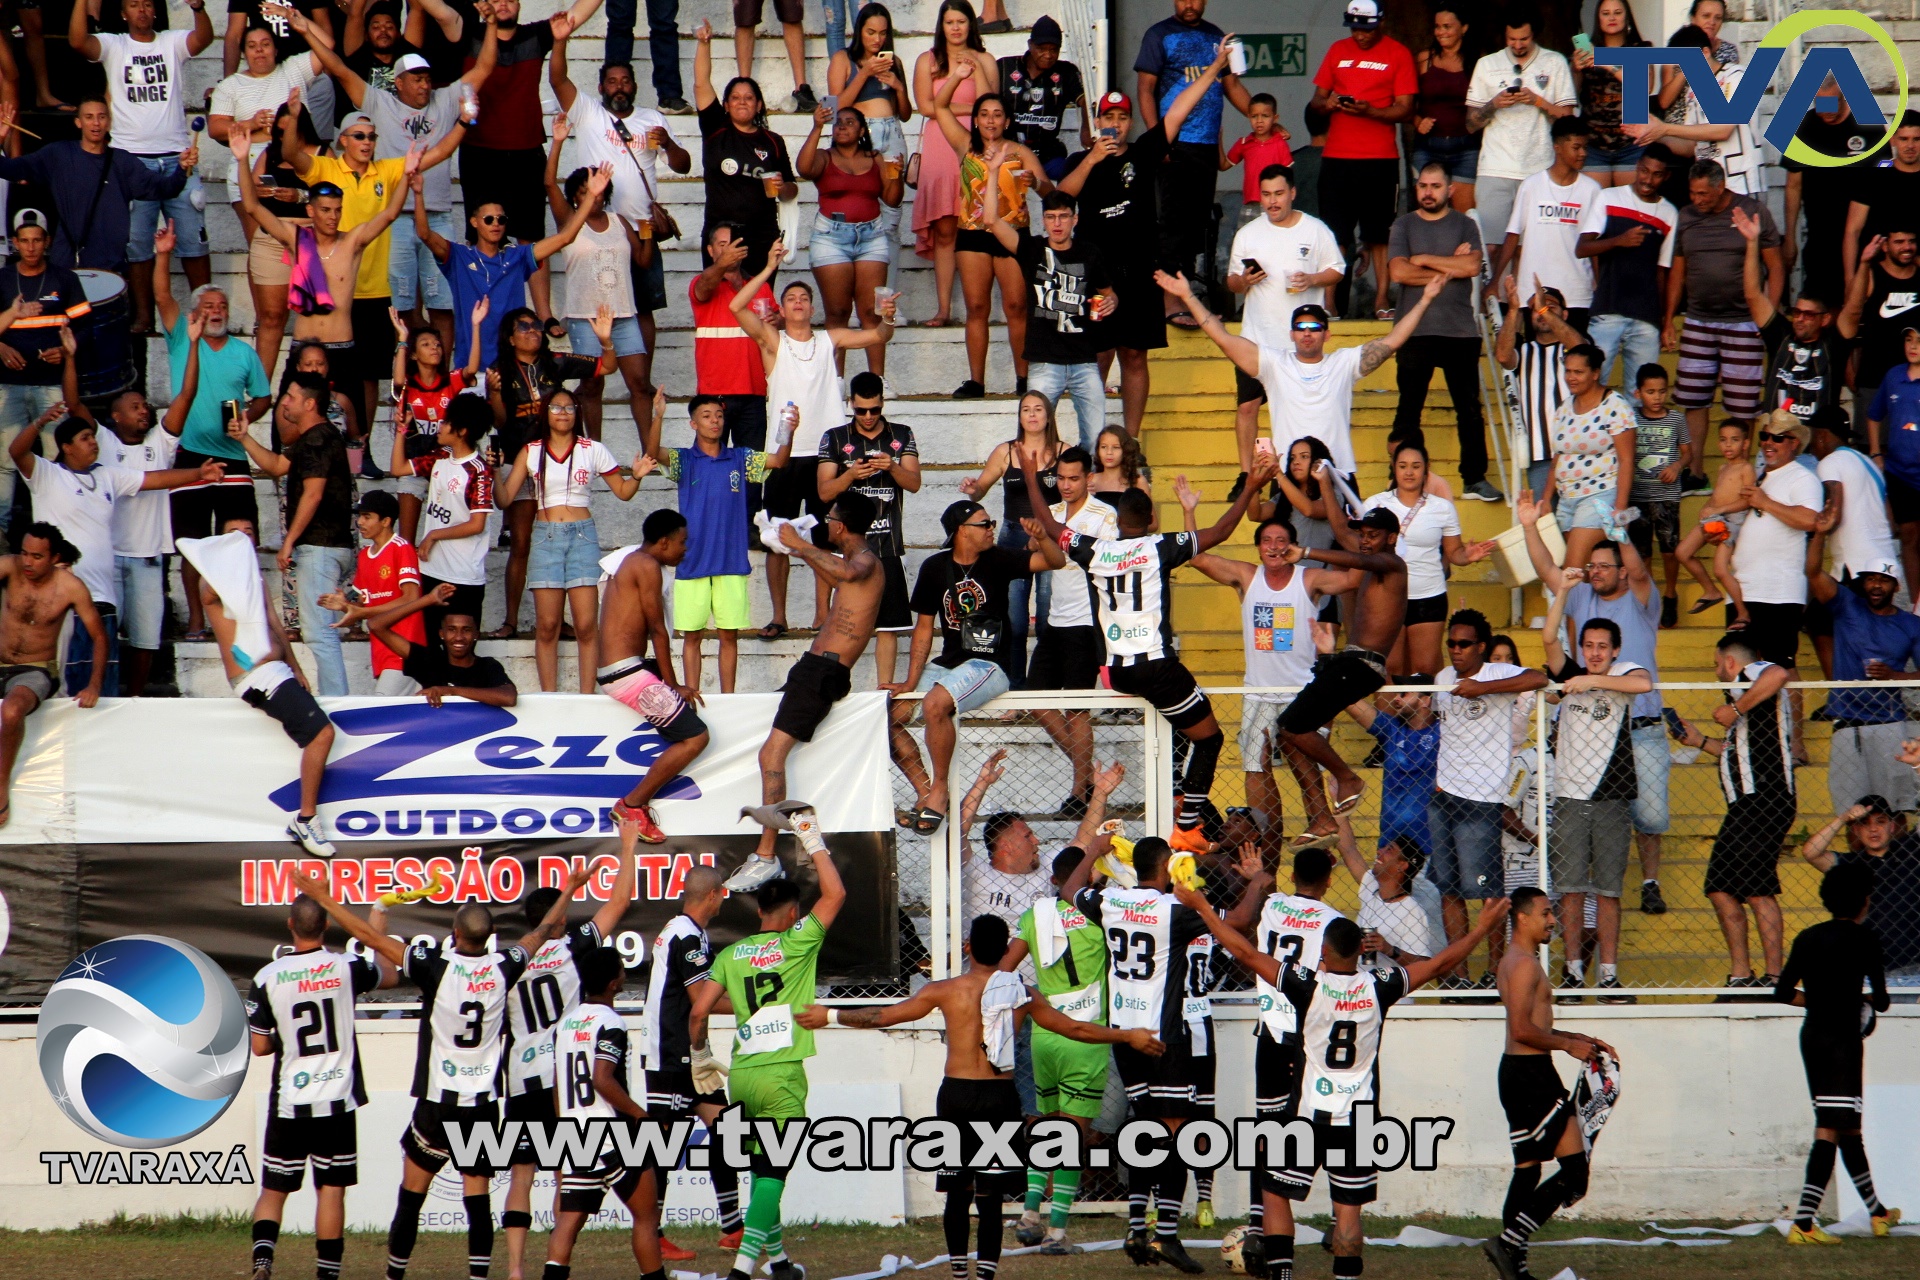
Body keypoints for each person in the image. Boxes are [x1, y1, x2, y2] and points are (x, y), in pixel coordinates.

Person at [1180, 880, 1508, 1277]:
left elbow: (1245, 952)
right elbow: (1438, 964)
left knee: (1275, 1191)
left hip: (1309, 1112)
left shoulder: (1307, 985)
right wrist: (1481, 927)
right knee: (1348, 1211)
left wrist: (1202, 905)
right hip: (1360, 1115)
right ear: (1358, 952)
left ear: (1323, 951)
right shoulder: (1380, 986)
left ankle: (1282, 1274)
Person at [284, 861, 590, 1280]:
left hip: (437, 1102)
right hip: (482, 1105)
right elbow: (542, 934)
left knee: (411, 1197)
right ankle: (479, 1276)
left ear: (456, 935)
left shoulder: (436, 968)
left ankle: (395, 1274)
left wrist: (321, 897)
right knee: (477, 1199)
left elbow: (370, 936)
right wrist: (569, 889)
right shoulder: (505, 966)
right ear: (490, 938)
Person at [840, 910, 1159, 1268]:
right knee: (990, 1197)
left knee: (957, 1196)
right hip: (998, 1097)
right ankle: (984, 1277)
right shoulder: (1021, 993)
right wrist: (1127, 1035)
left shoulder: (944, 990)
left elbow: (881, 1016)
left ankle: (960, 1273)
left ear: (968, 948)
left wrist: (828, 1016)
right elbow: (1076, 1029)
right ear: (1006, 948)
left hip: (957, 1096)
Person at [1028, 453, 1274, 852]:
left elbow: (1053, 525)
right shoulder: (1162, 546)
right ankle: (1188, 825)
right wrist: (1250, 486)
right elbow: (1224, 530)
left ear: (1118, 520)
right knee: (1210, 738)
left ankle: (1175, 789)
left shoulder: (1097, 550)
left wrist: (1027, 472)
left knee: (1179, 720)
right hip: (1156, 667)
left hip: (1115, 671)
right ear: (1151, 520)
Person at [689, 837, 849, 1280]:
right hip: (782, 1077)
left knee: (761, 1170)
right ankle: (742, 1271)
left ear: (759, 911)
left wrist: (700, 1057)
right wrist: (811, 838)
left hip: (742, 1075)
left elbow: (699, 1010)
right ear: (793, 913)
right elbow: (836, 894)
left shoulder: (730, 955)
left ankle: (779, 1264)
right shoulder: (799, 941)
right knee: (774, 1175)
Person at [493, 820, 642, 1280]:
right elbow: (618, 903)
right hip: (567, 1076)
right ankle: (557, 1257)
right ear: (559, 918)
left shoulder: (509, 962)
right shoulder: (574, 950)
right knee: (564, 1174)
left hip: (521, 1075)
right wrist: (629, 844)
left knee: (521, 1175)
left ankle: (516, 1269)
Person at [1516, 492, 1673, 916]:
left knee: (1652, 818)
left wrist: (1618, 532)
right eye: (1594, 566)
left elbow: (1638, 570)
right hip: (1594, 732)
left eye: (1606, 566)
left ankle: (1651, 880)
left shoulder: (1641, 598)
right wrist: (1530, 525)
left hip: (1641, 725)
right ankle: (1619, 887)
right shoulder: (1582, 597)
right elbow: (1548, 569)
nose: (1597, 571)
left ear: (1621, 571)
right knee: (1608, 815)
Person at [14, 384, 220, 700]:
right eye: (85, 439)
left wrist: (199, 473)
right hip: (63, 600)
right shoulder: (46, 475)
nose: (93, 443)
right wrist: (40, 423)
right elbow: (17, 451)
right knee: (64, 684)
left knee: (102, 684)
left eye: (93, 437)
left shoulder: (108, 475)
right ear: (67, 447)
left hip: (103, 597)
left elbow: (155, 479)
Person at [732, 243, 895, 636]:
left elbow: (877, 335)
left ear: (812, 307)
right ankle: (779, 616)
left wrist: (888, 318)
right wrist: (769, 266)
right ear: (782, 310)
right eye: (792, 298)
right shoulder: (773, 342)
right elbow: (737, 308)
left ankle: (822, 614)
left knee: (826, 536)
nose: (800, 302)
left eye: (805, 297)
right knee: (778, 540)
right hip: (784, 455)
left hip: (826, 455)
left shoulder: (829, 339)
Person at [315, 20, 500, 361]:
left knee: (443, 302)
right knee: (401, 305)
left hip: (438, 214)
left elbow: (486, 66)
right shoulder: (379, 103)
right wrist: (304, 30)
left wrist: (489, 23)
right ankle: (414, 371)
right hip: (394, 219)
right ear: (397, 83)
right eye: (417, 79)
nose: (425, 84)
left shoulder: (444, 100)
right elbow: (339, 69)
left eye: (427, 78)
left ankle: (441, 377)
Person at [1056, 58, 1222, 437]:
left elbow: (1179, 109)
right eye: (1107, 116)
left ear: (1130, 122)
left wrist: (1214, 68)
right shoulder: (1081, 160)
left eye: (1122, 117)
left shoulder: (1142, 152)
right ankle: (1092, 438)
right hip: (1098, 279)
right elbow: (1060, 199)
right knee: (1097, 356)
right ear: (1097, 120)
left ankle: (1130, 440)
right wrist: (1094, 157)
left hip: (1141, 275)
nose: (1114, 123)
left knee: (1134, 355)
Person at [728, 492, 883, 894]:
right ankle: (769, 851)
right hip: (813, 668)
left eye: (830, 518)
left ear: (842, 526)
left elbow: (849, 574)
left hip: (823, 671)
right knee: (767, 751)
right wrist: (792, 548)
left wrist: (800, 545)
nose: (826, 523)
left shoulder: (866, 560)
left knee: (771, 755)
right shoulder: (852, 562)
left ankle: (766, 857)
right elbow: (837, 575)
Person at [1164, 270, 1447, 488]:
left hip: (1338, 474)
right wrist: (1188, 297)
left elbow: (1394, 339)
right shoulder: (1274, 364)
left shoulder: (1344, 363)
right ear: (1292, 334)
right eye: (1300, 327)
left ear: (1327, 333)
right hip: (1290, 474)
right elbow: (1224, 339)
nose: (1307, 332)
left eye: (1314, 327)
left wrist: (1426, 299)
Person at [887, 492, 1065, 833]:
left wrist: (1042, 538)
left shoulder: (998, 559)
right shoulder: (935, 567)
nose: (991, 529)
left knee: (936, 703)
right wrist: (909, 682)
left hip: (989, 667)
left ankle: (939, 789)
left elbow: (1054, 562)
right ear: (961, 531)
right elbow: (924, 629)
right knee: (888, 716)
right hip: (949, 663)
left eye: (991, 523)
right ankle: (925, 792)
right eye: (984, 524)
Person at [996, 786, 1124, 1253]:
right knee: (1073, 1131)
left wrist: (1030, 996)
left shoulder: (1035, 914)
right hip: (1085, 1036)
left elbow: (1005, 970)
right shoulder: (1102, 915)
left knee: (1045, 1123)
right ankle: (1057, 1231)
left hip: (1045, 1031)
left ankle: (1029, 1213)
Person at [244, 887, 390, 1280]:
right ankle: (326, 1275)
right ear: (326, 925)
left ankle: (262, 1261)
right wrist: (377, 923)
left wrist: (283, 1037)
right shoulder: (345, 967)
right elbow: (387, 971)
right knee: (331, 1190)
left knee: (274, 1190)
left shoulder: (268, 976)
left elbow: (259, 1047)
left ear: (290, 926)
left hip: (291, 1099)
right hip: (337, 1100)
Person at [1482, 887, 1620, 1280]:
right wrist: (1567, 1046)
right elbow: (1523, 1029)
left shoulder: (1514, 961)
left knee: (1527, 1171)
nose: (1552, 920)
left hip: (1516, 1073)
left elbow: (1534, 1026)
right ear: (1522, 918)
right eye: (1545, 913)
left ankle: (1517, 1270)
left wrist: (1581, 1041)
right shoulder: (1524, 965)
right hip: (1532, 1076)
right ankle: (1509, 1243)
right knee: (1575, 1173)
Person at [178, 519, 335, 854]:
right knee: (322, 733)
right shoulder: (216, 581)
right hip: (256, 677)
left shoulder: (255, 580)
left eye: (248, 533)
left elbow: (274, 623)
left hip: (278, 671)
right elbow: (209, 592)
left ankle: (306, 818)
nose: (243, 538)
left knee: (319, 733)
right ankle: (306, 820)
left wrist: (295, 666)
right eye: (234, 534)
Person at [551, 46, 690, 401]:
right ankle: (596, 372)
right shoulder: (588, 113)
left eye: (625, 81)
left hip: (640, 230)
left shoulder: (649, 119)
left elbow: (683, 166)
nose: (619, 87)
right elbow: (557, 78)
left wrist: (669, 142)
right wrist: (560, 41)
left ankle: (639, 376)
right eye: (612, 81)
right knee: (595, 310)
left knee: (643, 307)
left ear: (635, 85)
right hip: (593, 230)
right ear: (600, 88)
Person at [1189, 515, 1338, 846]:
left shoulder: (1308, 577)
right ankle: (1266, 840)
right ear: (1258, 547)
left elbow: (1354, 579)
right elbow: (1197, 556)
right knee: (1254, 766)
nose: (1274, 547)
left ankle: (1322, 821)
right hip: (1258, 693)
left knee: (1303, 763)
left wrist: (1314, 551)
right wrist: (1190, 511)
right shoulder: (1247, 576)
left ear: (1293, 546)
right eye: (1267, 540)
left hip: (1302, 693)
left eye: (1281, 540)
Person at [1773, 862, 1900, 1243]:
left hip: (1812, 1036)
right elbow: (1881, 1000)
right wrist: (1855, 999)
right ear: (1864, 900)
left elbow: (1781, 992)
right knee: (1831, 1128)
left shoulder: (1808, 937)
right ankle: (1804, 1224)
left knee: (1846, 1127)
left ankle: (1877, 1213)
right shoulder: (1867, 939)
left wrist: (1819, 1001)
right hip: (1843, 1041)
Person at [71, 0, 215, 333]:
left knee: (194, 240)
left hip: (179, 157)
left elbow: (202, 39)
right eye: (134, 4)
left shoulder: (170, 41)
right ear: (123, 12)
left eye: (147, 4)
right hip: (131, 160)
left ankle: (206, 313)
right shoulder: (114, 44)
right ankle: (144, 317)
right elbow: (78, 41)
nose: (142, 10)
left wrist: (199, 8)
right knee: (137, 245)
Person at [495, 377, 646, 692]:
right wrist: (495, 470)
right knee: (548, 626)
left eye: (569, 408)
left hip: (582, 537)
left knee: (586, 626)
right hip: (545, 536)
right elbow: (504, 499)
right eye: (556, 407)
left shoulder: (593, 450)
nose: (562, 413)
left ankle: (587, 696)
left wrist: (638, 475)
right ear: (545, 413)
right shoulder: (531, 451)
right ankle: (550, 697)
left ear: (577, 413)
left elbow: (623, 491)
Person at [640, 391, 793, 693]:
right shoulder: (684, 460)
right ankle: (693, 696)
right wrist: (657, 416)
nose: (715, 421)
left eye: (719, 415)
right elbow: (652, 450)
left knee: (729, 636)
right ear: (693, 424)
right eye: (707, 416)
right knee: (692, 637)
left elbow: (779, 460)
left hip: (731, 562)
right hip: (692, 561)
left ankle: (728, 699)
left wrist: (788, 431)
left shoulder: (740, 457)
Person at [1426, 608, 1547, 990]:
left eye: (1464, 644)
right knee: (1448, 890)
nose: (1456, 650)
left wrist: (1483, 688)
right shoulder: (1443, 678)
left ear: (1481, 646)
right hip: (1444, 793)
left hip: (1481, 799)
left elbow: (1539, 677)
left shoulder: (1496, 672)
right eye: (1451, 643)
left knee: (1488, 893)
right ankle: (1458, 975)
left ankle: (1496, 972)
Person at [1539, 590, 1651, 1000]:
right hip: (1569, 796)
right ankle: (1571, 973)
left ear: (1616, 650)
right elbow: (1550, 637)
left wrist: (1592, 681)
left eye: (1603, 646)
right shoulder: (1569, 672)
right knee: (1570, 891)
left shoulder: (1623, 675)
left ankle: (1607, 976)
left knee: (1608, 891)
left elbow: (1645, 682)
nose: (1595, 653)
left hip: (1610, 796)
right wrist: (1564, 590)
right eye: (1589, 646)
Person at [215, 369, 353, 696]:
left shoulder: (319, 437)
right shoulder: (312, 438)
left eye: (290, 396)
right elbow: (277, 466)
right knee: (319, 630)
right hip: (324, 546)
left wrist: (288, 541)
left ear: (309, 403)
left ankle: (339, 706)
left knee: (320, 633)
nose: (284, 402)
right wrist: (244, 437)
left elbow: (314, 493)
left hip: (319, 546)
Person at [539, 946, 672, 1280]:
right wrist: (641, 1115)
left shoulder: (565, 1024)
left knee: (568, 1223)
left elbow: (557, 1085)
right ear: (614, 983)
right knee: (645, 1219)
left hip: (576, 1133)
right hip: (612, 1134)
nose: (625, 975)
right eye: (622, 971)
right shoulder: (612, 1023)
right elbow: (601, 1078)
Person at [415, 157, 604, 391]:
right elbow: (424, 233)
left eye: (501, 219)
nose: (496, 224)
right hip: (471, 369)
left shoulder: (517, 256)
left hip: (513, 369)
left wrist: (592, 198)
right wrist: (418, 194)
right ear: (474, 222)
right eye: (488, 219)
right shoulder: (459, 256)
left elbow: (566, 237)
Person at [1676, 634, 1796, 993]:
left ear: (1730, 662)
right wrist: (1698, 741)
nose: (1716, 672)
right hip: (1746, 804)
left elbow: (1778, 673)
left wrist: (1737, 709)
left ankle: (1776, 978)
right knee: (1719, 888)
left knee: (1758, 890)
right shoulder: (1745, 697)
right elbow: (1733, 750)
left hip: (1764, 798)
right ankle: (1741, 976)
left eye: (1717, 664)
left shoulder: (1751, 675)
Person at [928, 57, 1051, 398]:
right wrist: (957, 75)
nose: (991, 120)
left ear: (1008, 120)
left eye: (998, 114)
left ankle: (1024, 380)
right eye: (984, 115)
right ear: (976, 120)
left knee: (1017, 308)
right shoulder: (966, 146)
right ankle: (977, 381)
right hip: (973, 235)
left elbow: (1051, 191)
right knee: (977, 308)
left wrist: (1036, 184)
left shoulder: (1021, 151)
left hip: (1012, 237)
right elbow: (939, 106)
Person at [641, 865, 744, 1252]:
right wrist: (753, 1007)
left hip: (687, 1052)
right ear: (713, 895)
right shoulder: (686, 936)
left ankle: (732, 1228)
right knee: (663, 1147)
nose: (725, 900)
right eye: (723, 893)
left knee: (726, 1128)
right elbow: (701, 1000)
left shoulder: (685, 930)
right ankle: (652, 1234)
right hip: (670, 1054)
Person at [1134, 0, 1253, 328]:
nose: (1189, 3)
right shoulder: (1160, 35)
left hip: (1205, 146)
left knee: (1195, 225)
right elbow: (1145, 89)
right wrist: (1157, 141)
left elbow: (1232, 87)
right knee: (1171, 223)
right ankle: (1169, 299)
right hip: (1174, 144)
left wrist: (1262, 117)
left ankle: (1186, 294)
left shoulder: (1216, 36)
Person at [596, 507, 712, 843]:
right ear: (663, 543)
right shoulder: (648, 565)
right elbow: (657, 630)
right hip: (626, 673)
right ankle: (632, 804)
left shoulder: (633, 560)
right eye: (682, 543)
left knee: (684, 720)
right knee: (696, 737)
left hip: (625, 667)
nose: (685, 549)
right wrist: (672, 683)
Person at [1667, 159, 1783, 491]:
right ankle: (1696, 472)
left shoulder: (1752, 210)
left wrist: (1769, 319)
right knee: (1693, 399)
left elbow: (1775, 267)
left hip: (1744, 323)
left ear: (1721, 187)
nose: (1698, 199)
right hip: (1698, 320)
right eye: (1693, 193)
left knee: (1743, 405)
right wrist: (1668, 319)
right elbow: (1678, 269)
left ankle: (1742, 475)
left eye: (1704, 193)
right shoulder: (1687, 216)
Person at [1383, 162, 1497, 498]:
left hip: (1460, 330)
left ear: (1449, 190)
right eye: (1422, 186)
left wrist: (1423, 258)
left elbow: (1473, 266)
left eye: (1434, 186)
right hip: (1413, 330)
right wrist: (1449, 267)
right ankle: (1400, 479)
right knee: (1409, 409)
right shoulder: (1403, 225)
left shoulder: (1465, 224)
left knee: (1469, 409)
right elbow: (1399, 273)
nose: (1427, 192)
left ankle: (1474, 478)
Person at [1226, 165, 1344, 481]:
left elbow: (1337, 269)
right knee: (1247, 407)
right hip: (1256, 339)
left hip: (1300, 343)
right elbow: (1232, 283)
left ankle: (1300, 475)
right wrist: (1245, 281)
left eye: (1279, 194)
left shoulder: (1315, 229)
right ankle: (1245, 475)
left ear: (1292, 193)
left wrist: (1312, 278)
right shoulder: (1247, 234)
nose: (1272, 201)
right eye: (1266, 195)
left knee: (1298, 414)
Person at [0, 95, 195, 275]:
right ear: (78, 122)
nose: (95, 123)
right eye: (89, 117)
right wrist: (0, 139)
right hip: (67, 264)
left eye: (101, 117)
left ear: (109, 123)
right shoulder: (58, 155)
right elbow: (12, 169)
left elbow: (165, 188)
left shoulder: (123, 162)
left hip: (111, 266)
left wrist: (181, 168)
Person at [1305, 0, 1412, 319]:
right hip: (1338, 157)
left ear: (1380, 22)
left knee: (1378, 234)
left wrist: (1373, 111)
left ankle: (1381, 299)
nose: (1360, 35)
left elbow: (1406, 108)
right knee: (1334, 233)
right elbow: (1316, 101)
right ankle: (1330, 302)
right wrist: (1331, 103)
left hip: (1380, 159)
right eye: (1355, 28)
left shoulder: (1398, 53)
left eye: (1366, 28)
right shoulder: (1338, 50)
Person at [985, 189, 1115, 447]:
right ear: (1042, 220)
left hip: (1084, 359)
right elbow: (990, 220)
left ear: (1074, 219)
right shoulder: (1032, 249)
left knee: (1095, 439)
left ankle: (1086, 486)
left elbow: (1108, 293)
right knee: (1034, 439)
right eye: (1051, 217)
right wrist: (993, 170)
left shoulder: (1090, 252)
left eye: (1063, 217)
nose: (1057, 223)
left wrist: (1111, 302)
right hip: (1044, 361)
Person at [0, 525, 107, 825]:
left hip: (36, 669)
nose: (28, 562)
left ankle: (0, 787)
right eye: (24, 553)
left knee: (11, 711)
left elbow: (99, 636)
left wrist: (94, 685)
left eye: (36, 556)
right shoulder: (9, 567)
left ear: (54, 557)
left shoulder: (70, 587)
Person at [818, 373, 919, 684]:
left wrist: (892, 467)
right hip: (848, 549)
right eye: (861, 410)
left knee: (888, 626)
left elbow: (914, 484)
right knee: (843, 625)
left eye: (874, 410)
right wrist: (851, 476)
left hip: (888, 545)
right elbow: (823, 492)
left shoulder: (901, 433)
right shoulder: (834, 437)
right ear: (851, 405)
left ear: (882, 404)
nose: (868, 416)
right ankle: (829, 686)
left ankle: (883, 691)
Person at [1362, 440, 1493, 678]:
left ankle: (1424, 716)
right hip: (1387, 596)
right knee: (1390, 668)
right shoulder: (1375, 504)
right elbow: (1363, 549)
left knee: (1424, 669)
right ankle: (1386, 718)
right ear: (1394, 467)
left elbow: (1453, 553)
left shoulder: (1442, 507)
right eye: (1403, 466)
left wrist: (1468, 556)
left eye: (1416, 466)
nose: (1409, 472)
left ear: (1426, 469)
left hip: (1428, 595)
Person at [796, 103, 904, 385]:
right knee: (838, 312)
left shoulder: (876, 158)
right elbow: (803, 169)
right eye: (838, 122)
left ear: (862, 130)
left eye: (850, 122)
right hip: (831, 237)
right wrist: (817, 126)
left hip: (871, 236)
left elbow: (892, 199)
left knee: (871, 311)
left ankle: (877, 381)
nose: (842, 126)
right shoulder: (824, 156)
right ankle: (837, 382)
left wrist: (896, 174)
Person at [1805, 554, 1920, 814]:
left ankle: (1897, 857)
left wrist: (1894, 676)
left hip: (1889, 724)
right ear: (1864, 583)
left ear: (1897, 586)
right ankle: (1857, 858)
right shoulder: (1847, 605)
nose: (1876, 585)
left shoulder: (1911, 624)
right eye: (1871, 579)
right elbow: (1813, 572)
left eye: (1884, 580)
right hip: (1847, 724)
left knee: (1895, 812)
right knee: (1851, 814)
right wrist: (1819, 534)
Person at [0, 212, 90, 535]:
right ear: (14, 243)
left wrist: (66, 350)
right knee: (4, 462)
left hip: (52, 384)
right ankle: (1, 536)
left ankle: (59, 532)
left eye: (37, 239)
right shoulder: (2, 278)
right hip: (8, 384)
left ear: (47, 241)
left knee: (56, 459)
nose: (31, 247)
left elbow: (86, 328)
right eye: (24, 240)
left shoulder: (65, 279)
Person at [1464, 11, 1575, 253]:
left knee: (1531, 248)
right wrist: (1493, 104)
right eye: (1511, 39)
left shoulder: (1554, 62)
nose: (1517, 45)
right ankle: (1491, 292)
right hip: (1495, 167)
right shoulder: (1487, 64)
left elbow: (1569, 119)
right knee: (1490, 247)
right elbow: (1470, 124)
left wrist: (1538, 101)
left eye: (1523, 39)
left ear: (1534, 34)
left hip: (1539, 167)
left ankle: (1524, 293)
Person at [693, 19, 796, 279]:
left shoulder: (773, 141)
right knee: (720, 303)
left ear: (759, 105)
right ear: (725, 104)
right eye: (735, 98)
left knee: (760, 304)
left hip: (762, 235)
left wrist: (782, 187)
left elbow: (791, 189)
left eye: (749, 98)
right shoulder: (716, 129)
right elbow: (701, 85)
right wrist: (704, 44)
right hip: (721, 235)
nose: (742, 102)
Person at [1806, 405, 1904, 672]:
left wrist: (1818, 526)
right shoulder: (1869, 464)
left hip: (1857, 566)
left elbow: (1833, 511)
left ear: (1822, 435)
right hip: (1885, 561)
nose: (1812, 447)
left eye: (1813, 437)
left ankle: (1840, 693)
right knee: (1846, 628)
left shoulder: (1830, 462)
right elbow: (1892, 523)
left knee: (1818, 621)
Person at [1732, 412, 1823, 680]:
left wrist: (1766, 502)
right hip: (1744, 588)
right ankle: (1753, 723)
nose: (1769, 442)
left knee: (1782, 666)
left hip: (1777, 591)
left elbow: (1810, 520)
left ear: (1794, 443)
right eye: (1764, 436)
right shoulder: (1759, 476)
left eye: (1778, 438)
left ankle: (1792, 724)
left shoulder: (1802, 478)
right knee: (1741, 667)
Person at [1626, 25, 1764, 199]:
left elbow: (1723, 129)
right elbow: (1690, 146)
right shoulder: (1694, 90)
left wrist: (1665, 129)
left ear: (1705, 53)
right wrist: (1653, 132)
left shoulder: (1739, 76)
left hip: (1741, 186)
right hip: (1706, 191)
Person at [1577, 151, 1677, 390]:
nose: (1648, 179)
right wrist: (1617, 241)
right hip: (1608, 310)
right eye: (1644, 171)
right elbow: (1582, 248)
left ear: (1666, 177)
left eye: (1656, 175)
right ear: (1637, 167)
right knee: (1593, 385)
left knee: (1641, 394)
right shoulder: (1609, 197)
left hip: (1646, 317)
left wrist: (1665, 321)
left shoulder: (1669, 213)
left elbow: (1663, 272)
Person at [1802, 794, 1920, 989]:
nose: (1873, 829)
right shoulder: (1850, 864)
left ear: (1891, 826)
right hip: (1869, 972)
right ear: (1856, 829)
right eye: (1865, 824)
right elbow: (1811, 853)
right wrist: (1842, 819)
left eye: (1880, 822)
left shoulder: (1911, 851)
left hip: (1915, 968)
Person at [1494, 118, 1601, 332]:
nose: (1583, 153)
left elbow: (1594, 245)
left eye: (1585, 148)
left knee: (1575, 359)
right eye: (1576, 147)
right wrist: (1494, 281)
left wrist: (1599, 286)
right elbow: (1513, 235)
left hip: (1577, 293)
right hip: (1535, 294)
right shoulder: (1531, 186)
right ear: (1558, 147)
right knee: (1537, 359)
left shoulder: (1592, 190)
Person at [690, 223, 777, 483]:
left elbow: (775, 327)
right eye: (722, 245)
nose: (729, 251)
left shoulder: (759, 287)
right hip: (715, 395)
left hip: (754, 392)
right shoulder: (703, 282)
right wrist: (720, 265)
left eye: (733, 245)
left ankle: (750, 523)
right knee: (710, 466)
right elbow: (704, 285)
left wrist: (777, 320)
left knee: (751, 472)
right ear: (710, 250)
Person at [1783, 81, 1881, 309]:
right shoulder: (1805, 126)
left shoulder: (1868, 123)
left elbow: (1885, 175)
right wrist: (1790, 237)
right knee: (1821, 305)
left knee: (1861, 305)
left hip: (1863, 236)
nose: (1825, 111)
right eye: (1820, 104)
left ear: (1845, 98)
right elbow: (1793, 185)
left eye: (1831, 104)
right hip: (1820, 236)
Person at [1548, 342, 1638, 571]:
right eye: (1568, 371)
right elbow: (1558, 457)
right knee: (1585, 575)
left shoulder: (1615, 406)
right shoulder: (1565, 407)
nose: (1571, 377)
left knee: (1571, 571)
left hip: (1599, 497)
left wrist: (1619, 509)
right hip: (1567, 500)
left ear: (1595, 373)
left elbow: (1627, 460)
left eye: (1578, 372)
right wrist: (1545, 500)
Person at [1495, 277, 1578, 499]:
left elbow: (1581, 349)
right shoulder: (1524, 351)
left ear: (1565, 314)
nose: (1542, 312)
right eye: (1536, 309)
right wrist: (1513, 310)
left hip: (1577, 452)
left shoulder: (1572, 349)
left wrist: (1543, 309)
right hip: (1539, 455)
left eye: (1550, 307)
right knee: (1546, 525)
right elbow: (1503, 356)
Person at [1343, 677, 1441, 867]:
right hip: (1389, 848)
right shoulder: (1391, 728)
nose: (1395, 699)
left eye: (1403, 694)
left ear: (1425, 700)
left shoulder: (1445, 732)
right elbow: (1348, 699)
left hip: (1432, 848)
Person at [999, 15, 1088, 180]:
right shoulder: (1005, 67)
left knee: (1070, 176)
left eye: (1054, 49)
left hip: (1048, 154)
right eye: (1041, 48)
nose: (1048, 55)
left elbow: (1088, 102)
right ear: (1030, 45)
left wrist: (1086, 129)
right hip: (1009, 151)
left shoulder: (1066, 72)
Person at [1573, 0, 1651, 187]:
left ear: (1627, 17)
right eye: (1605, 13)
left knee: (1629, 209)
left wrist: (1605, 61)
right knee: (1597, 208)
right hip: (1594, 144)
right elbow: (1572, 95)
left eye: (1617, 12)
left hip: (1630, 144)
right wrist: (1575, 70)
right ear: (1598, 18)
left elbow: (1643, 88)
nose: (1612, 17)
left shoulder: (1640, 49)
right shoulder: (1587, 49)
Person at [1409, 6, 1478, 212]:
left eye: (1447, 26)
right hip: (1428, 147)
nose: (1441, 32)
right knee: (1427, 213)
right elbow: (1405, 102)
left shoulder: (1478, 62)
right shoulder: (1424, 59)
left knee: (1464, 217)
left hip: (1466, 148)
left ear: (1464, 28)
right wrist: (1417, 121)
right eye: (1437, 27)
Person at [1842, 110, 1920, 283]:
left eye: (1916, 139)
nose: (1910, 146)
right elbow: (1852, 231)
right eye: (1904, 139)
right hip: (1876, 276)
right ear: (1892, 139)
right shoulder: (1873, 178)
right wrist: (1850, 280)